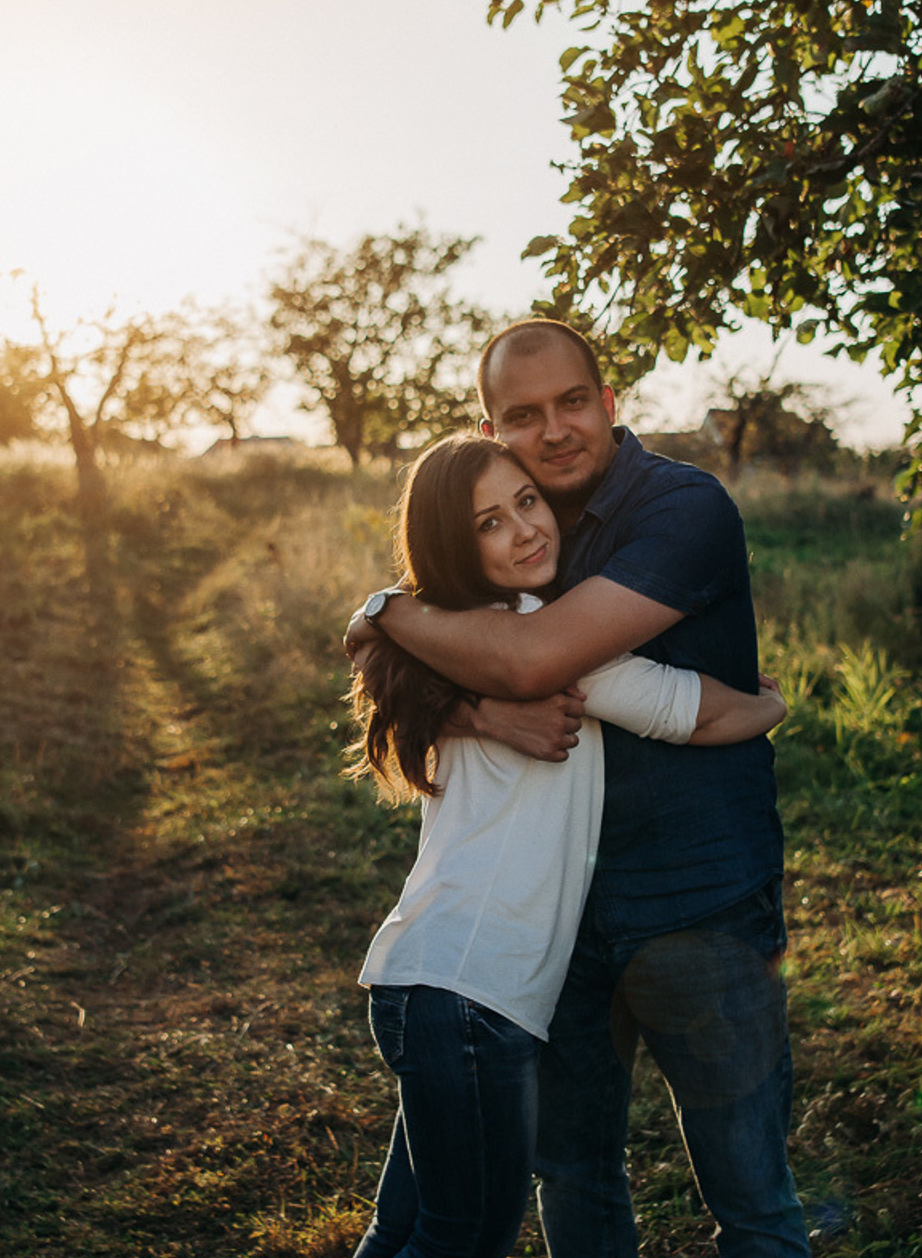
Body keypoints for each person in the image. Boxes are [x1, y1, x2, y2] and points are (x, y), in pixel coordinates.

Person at [345, 321, 812, 1257]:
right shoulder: (496, 572)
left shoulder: (682, 507)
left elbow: (528, 657)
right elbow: (401, 655)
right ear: (490, 429)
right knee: (571, 1177)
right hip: (549, 935)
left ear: (608, 401)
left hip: (695, 904)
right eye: (524, 416)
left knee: (750, 1197)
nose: (553, 431)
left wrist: (390, 616)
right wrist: (472, 701)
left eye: (570, 403)